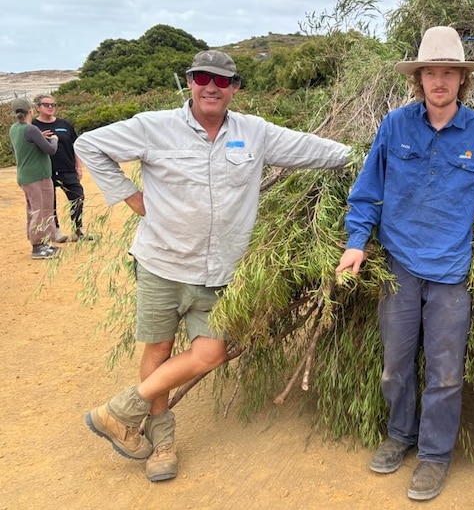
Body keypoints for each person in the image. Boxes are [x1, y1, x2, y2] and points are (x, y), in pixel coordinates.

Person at [76, 49, 351, 483]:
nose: (212, 87)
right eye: (203, 77)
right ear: (190, 81)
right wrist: (129, 195)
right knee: (159, 351)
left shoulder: (254, 133)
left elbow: (312, 149)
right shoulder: (154, 127)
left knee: (212, 351)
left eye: (222, 81)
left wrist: (369, 152)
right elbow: (89, 145)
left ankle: (120, 410)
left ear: (235, 88)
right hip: (162, 263)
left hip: (222, 272)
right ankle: (161, 442)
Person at [335, 26, 474, 501]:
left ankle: (433, 456)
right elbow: (370, 188)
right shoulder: (394, 125)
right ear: (420, 77)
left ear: (461, 80)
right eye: (432, 71)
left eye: (449, 72)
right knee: (395, 365)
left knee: (446, 373)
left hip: (452, 270)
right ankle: (399, 436)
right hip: (399, 263)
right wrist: (356, 242)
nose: (440, 80)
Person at [32, 94, 94, 241]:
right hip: (46, 171)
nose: (50, 107)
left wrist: (79, 167)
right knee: (49, 202)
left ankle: (78, 230)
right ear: (37, 108)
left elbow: (75, 146)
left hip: (68, 169)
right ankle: (56, 231)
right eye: (46, 105)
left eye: (53, 104)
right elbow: (27, 147)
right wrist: (38, 137)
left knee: (78, 196)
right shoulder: (33, 127)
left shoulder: (65, 125)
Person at [7, 97, 62, 259]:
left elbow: (24, 145)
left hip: (26, 176)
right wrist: (54, 140)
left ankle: (41, 243)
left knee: (34, 210)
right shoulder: (31, 129)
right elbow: (51, 150)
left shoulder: (14, 128)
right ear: (31, 111)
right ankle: (38, 247)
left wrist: (39, 136)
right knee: (41, 211)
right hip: (37, 177)